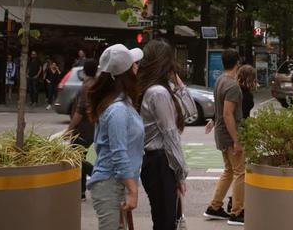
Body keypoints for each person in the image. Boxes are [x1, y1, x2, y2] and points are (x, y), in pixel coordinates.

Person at [137, 40, 196, 230]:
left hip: (158, 163)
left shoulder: (159, 89)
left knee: (164, 220)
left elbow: (190, 111)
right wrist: (180, 174)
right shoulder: (158, 93)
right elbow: (170, 136)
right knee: (165, 222)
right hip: (161, 163)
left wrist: (177, 81)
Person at [86, 44, 144, 230]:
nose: (137, 68)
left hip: (115, 183)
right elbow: (119, 153)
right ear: (125, 74)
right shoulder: (118, 110)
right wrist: (133, 190)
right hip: (111, 184)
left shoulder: (120, 104)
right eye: (134, 65)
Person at [204, 49, 245, 226]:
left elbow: (220, 110)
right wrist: (237, 140)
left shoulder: (220, 80)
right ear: (237, 62)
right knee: (240, 172)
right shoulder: (233, 86)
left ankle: (214, 207)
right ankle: (237, 212)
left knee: (229, 171)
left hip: (221, 133)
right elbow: (228, 114)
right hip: (229, 135)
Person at [65, 58, 98, 199]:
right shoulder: (97, 85)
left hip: (83, 128)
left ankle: (97, 179)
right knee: (83, 157)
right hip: (94, 127)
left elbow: (79, 112)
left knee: (77, 158)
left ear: (84, 71)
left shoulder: (85, 87)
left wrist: (69, 129)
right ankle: (81, 191)